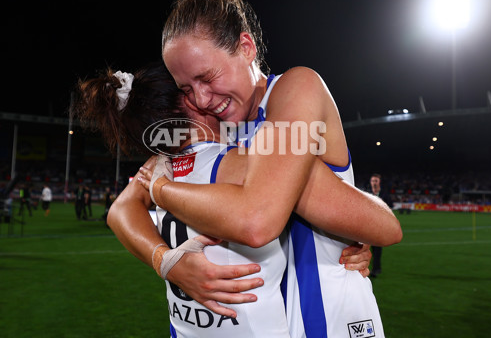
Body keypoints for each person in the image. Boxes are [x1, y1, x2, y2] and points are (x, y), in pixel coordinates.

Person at [137, 0, 394, 336]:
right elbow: (123, 206)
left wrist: (160, 188)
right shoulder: (214, 129)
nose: (202, 98)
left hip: (333, 319)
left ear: (245, 46)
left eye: (207, 77)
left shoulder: (295, 90)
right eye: (186, 88)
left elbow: (260, 218)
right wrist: (166, 261)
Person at [77, 63, 401, 337]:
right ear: (187, 106)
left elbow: (119, 210)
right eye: (192, 88)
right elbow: (385, 226)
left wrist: (165, 261)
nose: (208, 96)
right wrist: (357, 232)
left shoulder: (161, 166)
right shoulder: (246, 161)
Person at [368, 173, 393, 278]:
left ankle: (376, 269)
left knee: (377, 249)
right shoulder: (366, 194)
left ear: (379, 182)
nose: (374, 183)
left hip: (379, 226)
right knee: (364, 248)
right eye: (373, 181)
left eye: (376, 181)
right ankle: (362, 269)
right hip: (367, 225)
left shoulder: (385, 195)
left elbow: (390, 206)